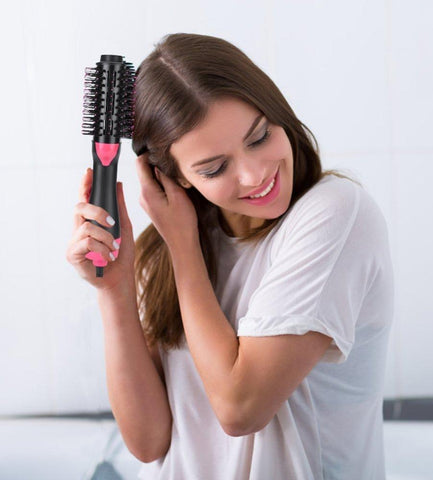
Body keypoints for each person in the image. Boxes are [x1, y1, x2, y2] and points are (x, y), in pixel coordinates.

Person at [66, 33, 394, 480]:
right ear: (173, 178)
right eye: (216, 168)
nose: (255, 174)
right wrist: (114, 289)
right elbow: (148, 443)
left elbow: (240, 409)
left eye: (259, 137)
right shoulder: (166, 248)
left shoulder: (335, 214)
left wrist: (184, 250)